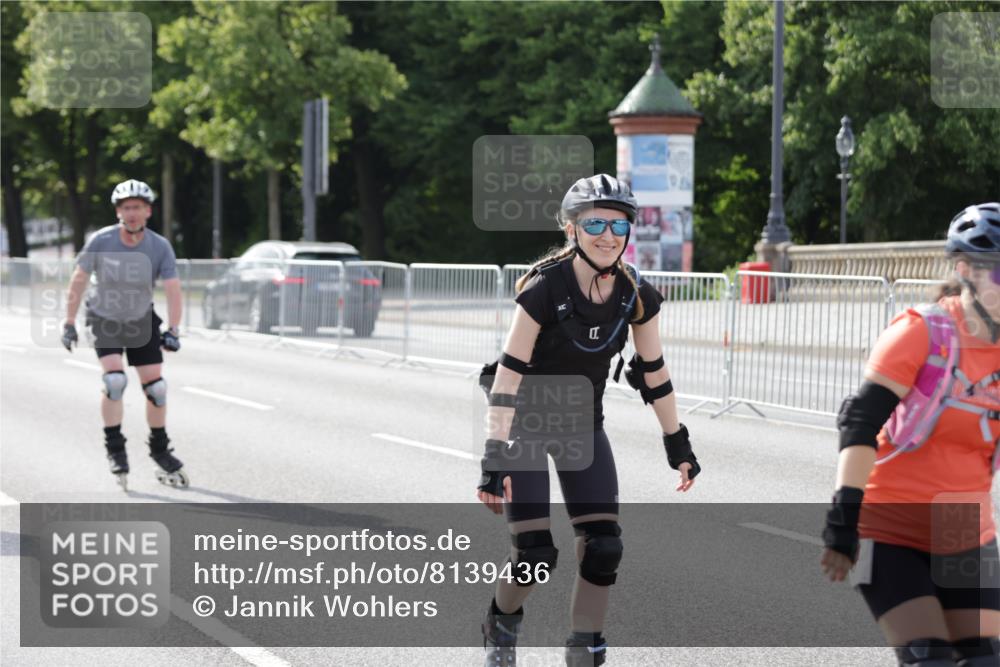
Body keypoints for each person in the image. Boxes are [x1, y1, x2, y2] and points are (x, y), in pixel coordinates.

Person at [476, 174, 701, 666]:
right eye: (595, 222)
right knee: (536, 557)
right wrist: (493, 459)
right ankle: (501, 621)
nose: (607, 234)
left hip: (583, 425)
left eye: (619, 224)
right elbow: (507, 377)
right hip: (525, 429)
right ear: (571, 229)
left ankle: (585, 654)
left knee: (603, 548)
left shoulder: (635, 292)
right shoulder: (543, 288)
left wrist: (676, 443)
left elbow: (654, 373)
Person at [822, 203, 1000, 666]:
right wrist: (843, 518)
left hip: (965, 530)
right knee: (931, 659)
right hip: (891, 530)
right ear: (964, 270)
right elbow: (860, 423)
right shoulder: (924, 332)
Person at [60, 179, 188, 491]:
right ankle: (115, 448)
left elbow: (173, 290)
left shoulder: (159, 246)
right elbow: (79, 279)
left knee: (156, 388)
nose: (132, 213)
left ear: (148, 211)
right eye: (126, 207)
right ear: (118, 212)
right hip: (105, 318)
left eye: (137, 207)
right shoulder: (101, 241)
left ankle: (160, 450)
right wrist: (69, 321)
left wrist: (173, 329)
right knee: (115, 380)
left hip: (141, 319)